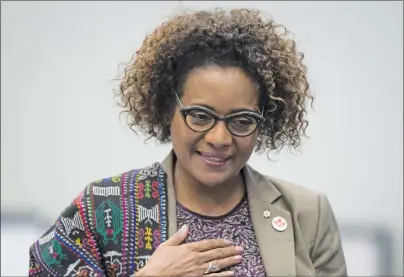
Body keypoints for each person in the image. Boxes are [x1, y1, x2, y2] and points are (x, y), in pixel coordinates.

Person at [28, 8, 347, 277]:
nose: (220, 139)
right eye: (200, 115)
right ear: (168, 107)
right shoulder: (102, 207)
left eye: (241, 121)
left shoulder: (307, 214)